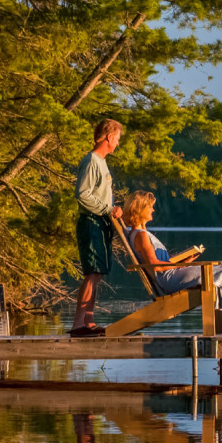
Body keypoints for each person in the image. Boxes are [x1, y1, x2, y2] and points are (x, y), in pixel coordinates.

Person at [122, 190, 222, 335]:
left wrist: (184, 260)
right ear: (140, 209)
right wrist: (185, 265)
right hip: (168, 279)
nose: (153, 210)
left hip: (170, 274)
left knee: (221, 275)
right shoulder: (141, 236)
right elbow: (155, 265)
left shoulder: (142, 234)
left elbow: (158, 262)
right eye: (150, 206)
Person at [71, 119, 123, 337]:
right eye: (117, 138)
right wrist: (108, 210)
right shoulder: (92, 160)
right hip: (91, 223)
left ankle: (89, 323)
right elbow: (82, 194)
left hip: (100, 223)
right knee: (92, 273)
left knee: (97, 273)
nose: (118, 143)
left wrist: (109, 211)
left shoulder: (101, 162)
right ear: (109, 137)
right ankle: (78, 325)